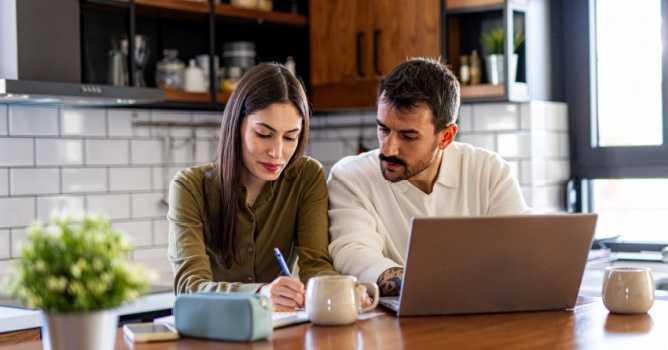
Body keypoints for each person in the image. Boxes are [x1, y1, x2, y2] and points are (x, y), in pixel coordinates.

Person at [327, 57, 532, 297]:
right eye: (383, 129)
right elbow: (353, 252)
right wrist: (436, 286)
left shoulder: (489, 171)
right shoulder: (351, 176)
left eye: (408, 136)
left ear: (446, 136)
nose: (388, 149)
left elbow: (521, 250)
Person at [167, 62, 338, 309]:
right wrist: (260, 293)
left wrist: (343, 289)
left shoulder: (307, 177)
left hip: (278, 332)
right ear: (237, 127)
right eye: (263, 134)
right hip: (213, 334)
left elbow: (317, 266)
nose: (277, 152)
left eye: (290, 137)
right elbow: (189, 287)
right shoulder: (189, 187)